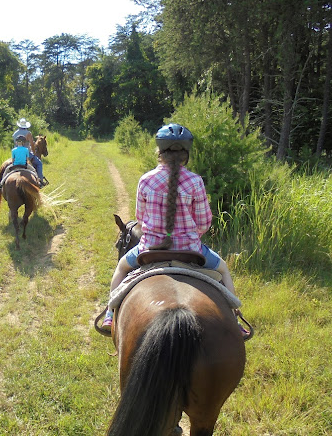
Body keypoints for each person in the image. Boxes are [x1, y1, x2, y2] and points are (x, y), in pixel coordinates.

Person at [102, 123, 246, 336]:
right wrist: (189, 234)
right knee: (223, 269)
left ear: (160, 152)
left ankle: (109, 315)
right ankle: (234, 320)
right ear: (186, 153)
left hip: (149, 250)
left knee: (122, 268)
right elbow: (205, 223)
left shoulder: (146, 180)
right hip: (191, 251)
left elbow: (140, 220)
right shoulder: (195, 181)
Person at [12, 118, 48, 187]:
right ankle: (40, 182)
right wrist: (34, 153)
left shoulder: (15, 133)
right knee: (39, 163)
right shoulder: (28, 133)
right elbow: (32, 144)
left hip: (16, 154)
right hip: (27, 153)